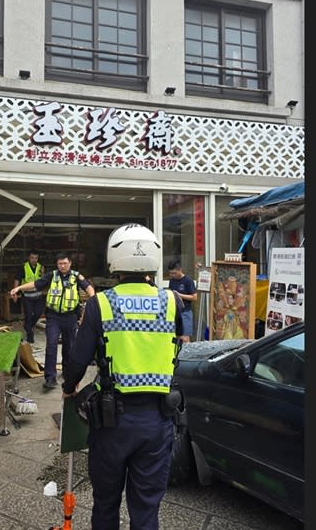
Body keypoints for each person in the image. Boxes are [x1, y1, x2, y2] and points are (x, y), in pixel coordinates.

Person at [61, 223, 184, 530]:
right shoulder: (172, 302)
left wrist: (68, 386)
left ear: (114, 259)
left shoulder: (100, 304)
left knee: (106, 502)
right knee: (146, 509)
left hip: (111, 420)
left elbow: (78, 357)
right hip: (158, 419)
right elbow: (177, 347)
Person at [10, 252, 95, 390]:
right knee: (51, 345)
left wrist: (92, 299)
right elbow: (35, 284)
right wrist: (19, 288)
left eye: (65, 263)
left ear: (70, 264)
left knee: (69, 347)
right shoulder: (52, 275)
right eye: (60, 263)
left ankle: (67, 373)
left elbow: (89, 288)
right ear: (57, 264)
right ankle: (50, 378)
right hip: (54, 317)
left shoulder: (76, 276)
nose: (62, 266)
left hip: (71, 317)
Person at [11, 249, 45, 344]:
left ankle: (28, 326)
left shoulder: (40, 267)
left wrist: (42, 272)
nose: (34, 260)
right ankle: (30, 335)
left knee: (38, 313)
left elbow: (42, 280)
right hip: (27, 297)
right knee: (28, 315)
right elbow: (17, 279)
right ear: (29, 258)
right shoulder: (24, 267)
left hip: (38, 296)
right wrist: (15, 293)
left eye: (36, 258)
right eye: (32, 258)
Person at [167, 260, 197, 343]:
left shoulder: (188, 281)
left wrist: (180, 295)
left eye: (174, 273)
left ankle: (187, 354)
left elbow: (194, 297)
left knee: (185, 338)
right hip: (175, 312)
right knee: (176, 337)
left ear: (180, 270)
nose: (173, 275)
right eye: (171, 273)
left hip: (185, 312)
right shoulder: (172, 280)